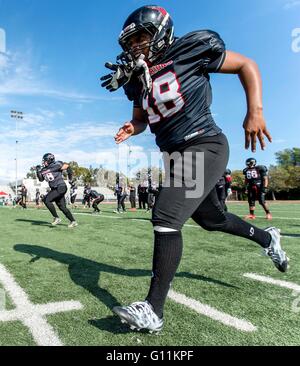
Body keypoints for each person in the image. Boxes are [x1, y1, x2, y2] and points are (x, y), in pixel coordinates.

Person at [101, 5, 289, 332]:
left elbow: (247, 63)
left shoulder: (189, 50)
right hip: (175, 155)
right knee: (212, 219)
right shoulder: (137, 78)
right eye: (130, 42)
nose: (134, 47)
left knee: (165, 214)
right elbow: (142, 119)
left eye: (140, 37)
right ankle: (267, 239)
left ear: (160, 32)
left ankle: (153, 310)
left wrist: (255, 110)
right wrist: (132, 127)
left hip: (204, 143)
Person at [36, 153, 78, 228]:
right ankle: (73, 221)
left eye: (45, 160)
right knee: (62, 207)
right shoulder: (44, 169)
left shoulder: (57, 164)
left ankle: (56, 218)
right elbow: (41, 179)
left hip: (60, 187)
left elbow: (68, 167)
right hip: (55, 189)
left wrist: (70, 179)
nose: (43, 162)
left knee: (46, 200)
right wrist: (38, 171)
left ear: (49, 160)